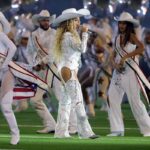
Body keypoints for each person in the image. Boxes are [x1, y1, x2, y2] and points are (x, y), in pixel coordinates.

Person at [52, 8, 99, 139]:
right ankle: (85, 132)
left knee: (65, 103)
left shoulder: (68, 35)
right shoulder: (68, 36)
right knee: (78, 102)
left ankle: (60, 132)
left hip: (68, 69)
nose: (79, 23)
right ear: (70, 22)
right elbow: (82, 49)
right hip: (68, 70)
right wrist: (84, 34)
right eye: (77, 20)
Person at [107, 12, 150, 137]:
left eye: (124, 23)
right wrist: (115, 65)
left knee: (135, 101)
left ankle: (148, 129)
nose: (121, 25)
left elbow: (141, 48)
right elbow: (114, 55)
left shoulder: (131, 36)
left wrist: (126, 56)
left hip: (131, 72)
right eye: (120, 23)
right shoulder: (116, 38)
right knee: (111, 97)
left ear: (128, 25)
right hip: (118, 73)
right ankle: (117, 129)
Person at [27, 10, 56, 134]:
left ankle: (73, 126)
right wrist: (34, 65)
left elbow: (55, 52)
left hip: (54, 70)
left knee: (62, 99)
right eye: (44, 20)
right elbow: (30, 52)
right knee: (34, 100)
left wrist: (42, 62)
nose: (46, 22)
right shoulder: (33, 34)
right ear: (39, 21)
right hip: (40, 72)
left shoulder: (55, 34)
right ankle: (51, 125)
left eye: (47, 19)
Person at [0, 12, 20, 145]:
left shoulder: (1, 35)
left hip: (6, 73)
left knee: (6, 106)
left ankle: (15, 133)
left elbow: (13, 48)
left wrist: (5, 64)